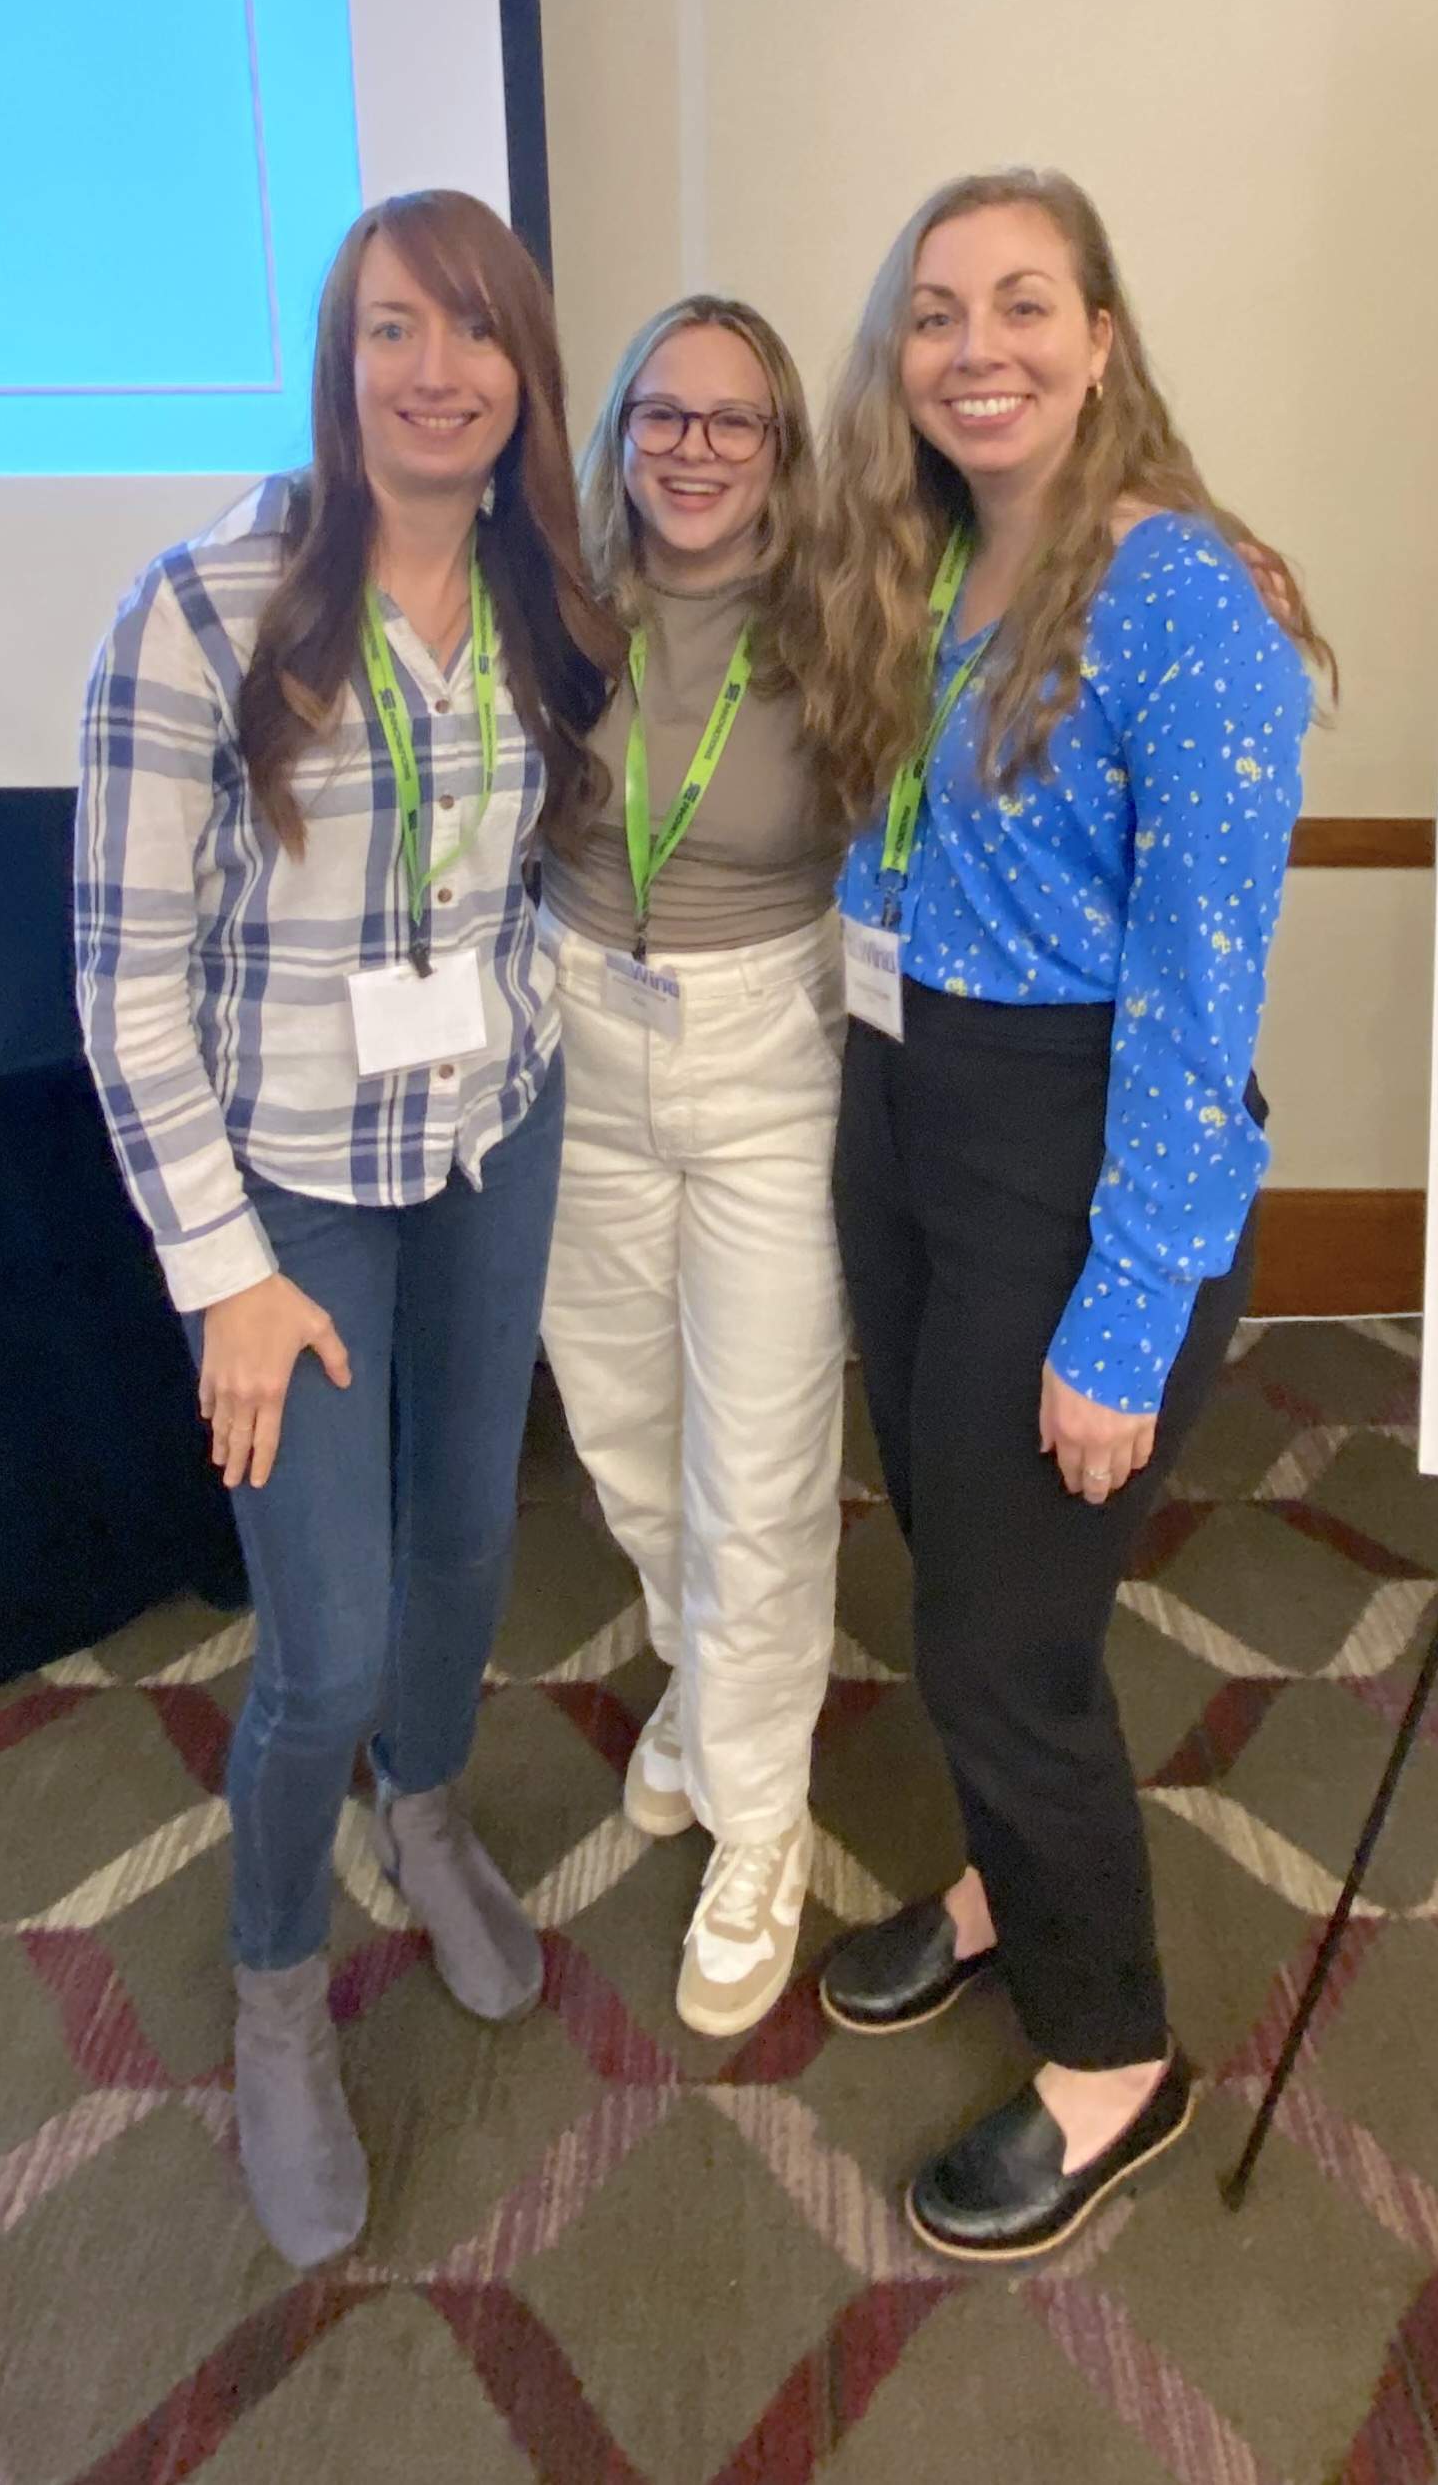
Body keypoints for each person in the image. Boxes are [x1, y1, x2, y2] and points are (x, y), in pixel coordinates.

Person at [74, 190, 618, 2268]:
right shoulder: (202, 608)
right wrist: (220, 1268)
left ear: (519, 374)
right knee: (320, 1643)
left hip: (488, 1141)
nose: (435, 371)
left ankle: (430, 1804)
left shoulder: (537, 588)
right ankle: (279, 1984)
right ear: (339, 353)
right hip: (290, 1190)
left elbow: (531, 873)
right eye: (394, 329)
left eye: (474, 334)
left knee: (468, 1548)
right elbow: (123, 981)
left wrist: (544, 1041)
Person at [794, 167, 1329, 2263]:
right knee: (961, 1557)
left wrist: (1124, 1313)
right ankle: (1010, 1880)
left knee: (999, 1641)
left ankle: (1110, 2055)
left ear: (1100, 334)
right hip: (900, 1105)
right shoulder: (921, 560)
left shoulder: (1180, 596)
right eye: (933, 311)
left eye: (1022, 302)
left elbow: (1203, 1008)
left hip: (1075, 1148)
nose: (974, 345)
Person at [537, 298, 848, 2037]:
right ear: (624, 434)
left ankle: (761, 1816)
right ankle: (710, 1676)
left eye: (737, 424)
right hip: (577, 1036)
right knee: (626, 1432)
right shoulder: (565, 611)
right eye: (668, 416)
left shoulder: (842, 618)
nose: (697, 450)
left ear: (782, 448)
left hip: (762, 1049)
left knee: (761, 1455)